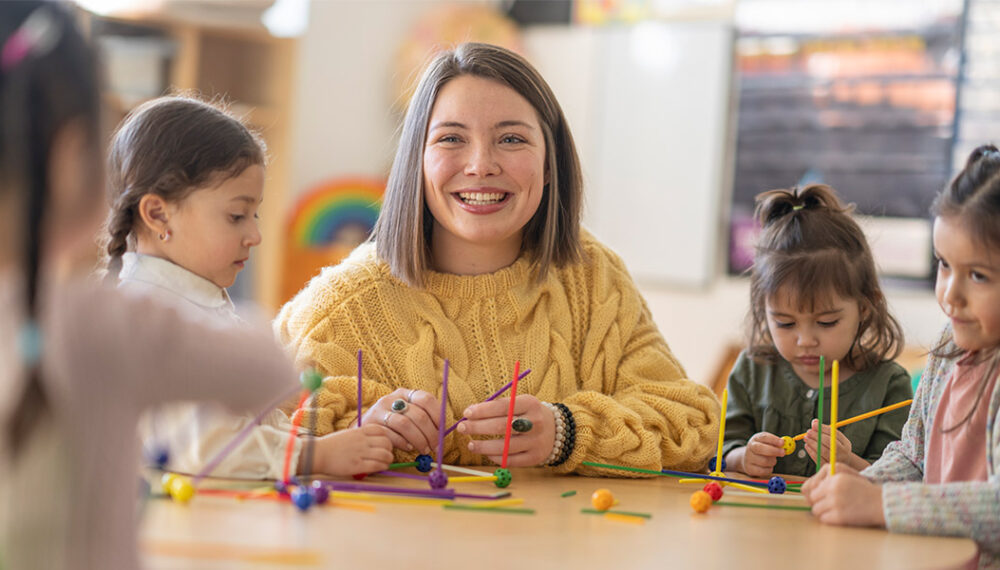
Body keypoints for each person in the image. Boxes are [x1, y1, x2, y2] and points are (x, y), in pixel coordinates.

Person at [277, 42, 719, 474]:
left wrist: (568, 432)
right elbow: (241, 432)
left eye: (511, 138)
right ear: (416, 161)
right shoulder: (341, 305)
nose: (481, 165)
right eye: (452, 138)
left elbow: (694, 425)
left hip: (561, 547)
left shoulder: (593, 278)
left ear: (550, 165)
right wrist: (352, 435)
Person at [0, 3, 295, 568]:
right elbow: (272, 372)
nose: (253, 234)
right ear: (68, 159)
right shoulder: (112, 318)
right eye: (239, 216)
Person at [101, 96, 392, 479]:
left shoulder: (198, 302)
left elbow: (249, 426)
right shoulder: (148, 315)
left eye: (253, 215)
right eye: (236, 216)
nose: (254, 235)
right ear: (158, 214)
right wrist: (311, 456)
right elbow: (203, 448)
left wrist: (338, 440)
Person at [803, 145, 1000, 568]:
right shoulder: (950, 343)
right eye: (944, 265)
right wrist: (855, 489)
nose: (951, 294)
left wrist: (880, 504)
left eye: (979, 275)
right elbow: (913, 455)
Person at [723, 184, 912, 478]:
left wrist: (848, 462)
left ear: (865, 307)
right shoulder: (752, 370)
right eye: (785, 323)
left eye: (826, 323)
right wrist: (742, 458)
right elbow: (722, 450)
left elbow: (901, 476)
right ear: (764, 309)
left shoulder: (890, 385)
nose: (806, 341)